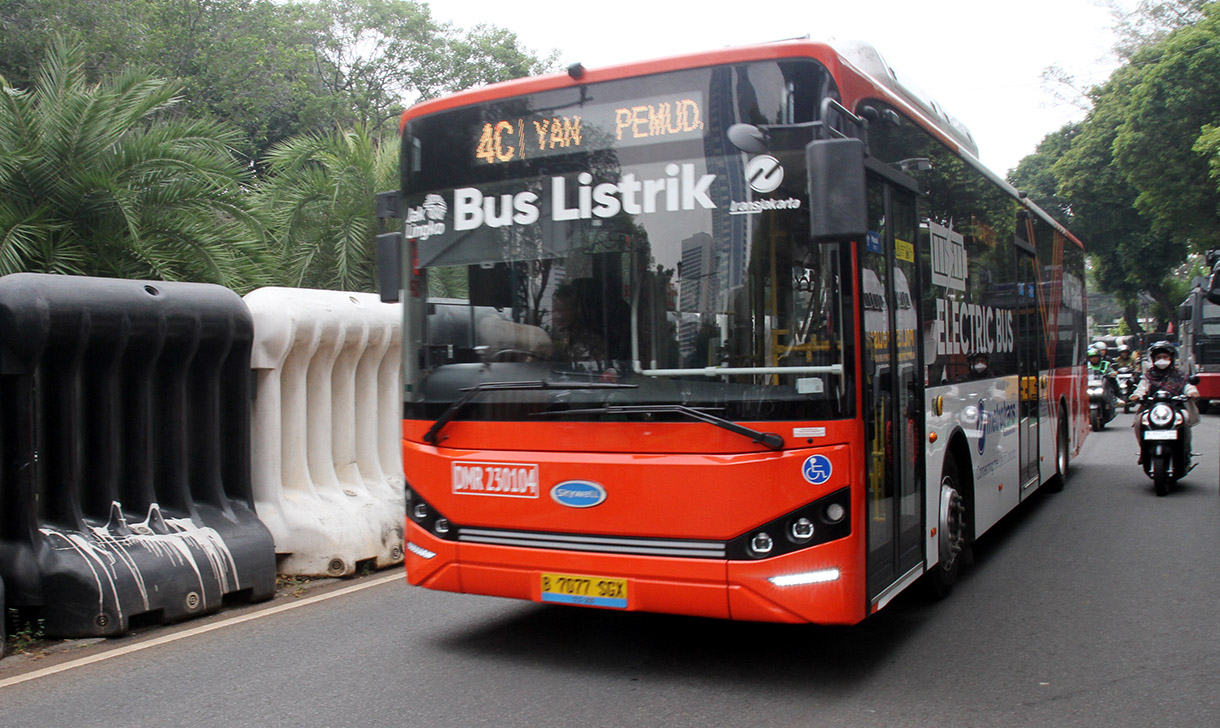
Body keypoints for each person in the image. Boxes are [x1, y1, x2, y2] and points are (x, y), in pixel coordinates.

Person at [1130, 341, 1199, 459]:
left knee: (1186, 418)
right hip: (1152, 408)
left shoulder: (1179, 375)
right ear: (1153, 359)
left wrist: (1192, 392)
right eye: (1159, 357)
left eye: (1165, 357)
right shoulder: (1149, 376)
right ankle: (1144, 451)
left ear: (1171, 358)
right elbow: (1142, 388)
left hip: (1176, 407)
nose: (1162, 360)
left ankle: (1186, 450)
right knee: (1138, 422)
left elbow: (1187, 387)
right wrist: (1137, 396)